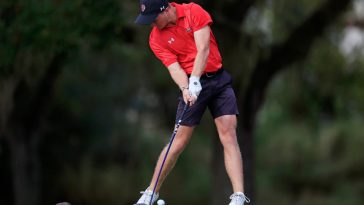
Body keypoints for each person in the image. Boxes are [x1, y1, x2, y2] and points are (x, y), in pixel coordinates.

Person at [134, 0, 250, 204]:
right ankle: (151, 193)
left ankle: (239, 197)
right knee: (178, 140)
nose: (151, 24)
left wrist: (196, 79)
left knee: (228, 133)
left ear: (166, 9)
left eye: (153, 19)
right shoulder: (155, 39)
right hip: (190, 84)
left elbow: (203, 48)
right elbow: (174, 68)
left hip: (218, 80)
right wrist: (186, 88)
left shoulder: (193, 12)